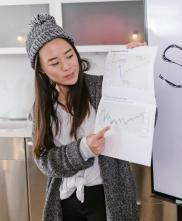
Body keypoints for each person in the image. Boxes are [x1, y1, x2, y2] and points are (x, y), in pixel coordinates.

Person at [25, 14, 144, 221]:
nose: (67, 66)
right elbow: (44, 161)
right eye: (54, 62)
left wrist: (138, 70)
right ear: (42, 70)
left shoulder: (102, 88)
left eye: (70, 55)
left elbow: (144, 121)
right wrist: (84, 149)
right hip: (65, 200)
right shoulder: (41, 108)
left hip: (107, 199)